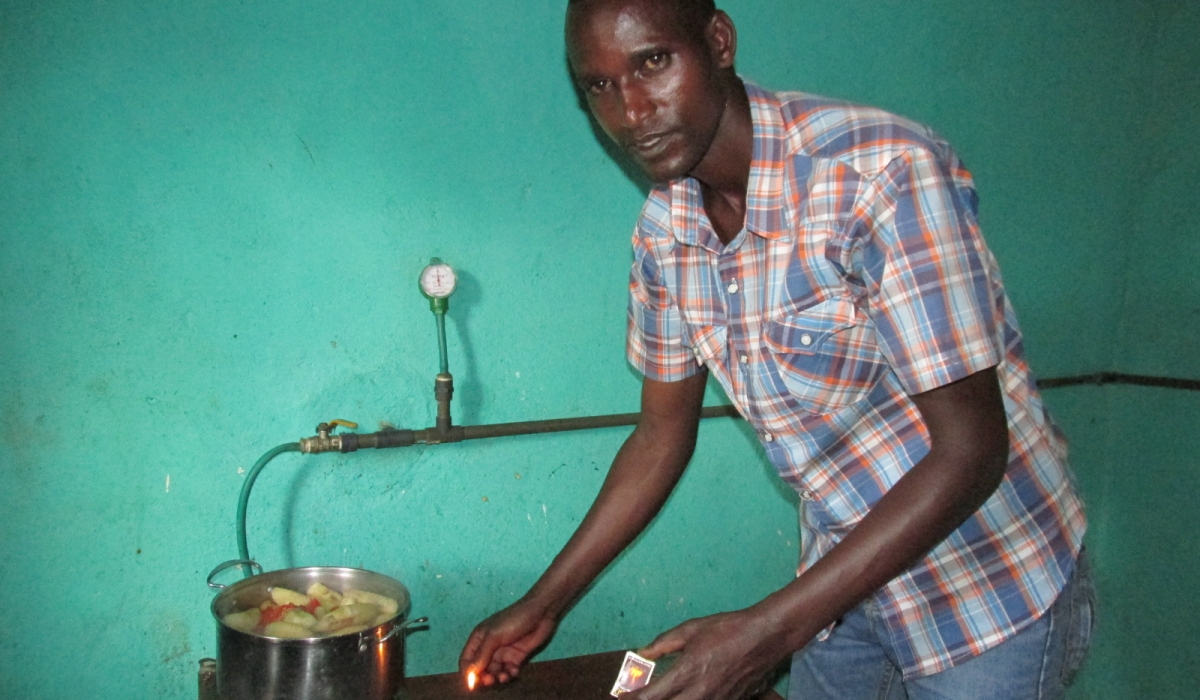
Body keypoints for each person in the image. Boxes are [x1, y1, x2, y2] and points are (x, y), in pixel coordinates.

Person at [460, 0, 1092, 698]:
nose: (632, 110)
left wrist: (764, 635)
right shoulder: (666, 233)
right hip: (844, 584)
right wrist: (544, 603)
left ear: (719, 42)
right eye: (600, 87)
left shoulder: (877, 175)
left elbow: (971, 451)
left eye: (652, 63)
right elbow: (660, 435)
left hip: (986, 587)